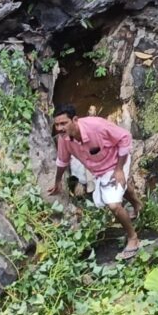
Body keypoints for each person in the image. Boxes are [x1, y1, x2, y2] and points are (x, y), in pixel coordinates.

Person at [49, 105, 141, 258]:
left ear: (75, 120)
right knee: (117, 191)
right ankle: (138, 205)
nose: (60, 128)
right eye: (57, 125)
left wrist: (119, 170)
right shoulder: (63, 140)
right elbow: (62, 161)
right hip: (100, 170)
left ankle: (133, 238)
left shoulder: (96, 126)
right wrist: (57, 182)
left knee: (114, 205)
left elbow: (125, 137)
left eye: (63, 123)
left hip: (118, 160)